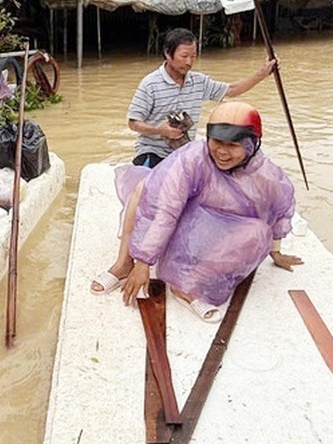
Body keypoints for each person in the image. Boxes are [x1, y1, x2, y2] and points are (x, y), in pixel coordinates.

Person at [91, 102, 301, 322]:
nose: (222, 152)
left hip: (219, 234)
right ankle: (124, 262)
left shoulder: (268, 177)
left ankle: (188, 287)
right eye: (217, 142)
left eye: (233, 145)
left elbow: (280, 213)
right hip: (183, 223)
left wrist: (276, 254)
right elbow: (163, 208)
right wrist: (143, 261)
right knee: (146, 187)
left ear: (252, 145)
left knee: (259, 232)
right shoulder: (191, 157)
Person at [127, 27, 277, 167]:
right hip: (153, 152)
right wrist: (159, 130)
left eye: (193, 56)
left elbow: (232, 90)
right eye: (184, 56)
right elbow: (133, 123)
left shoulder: (198, 81)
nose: (189, 62)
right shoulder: (150, 84)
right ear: (168, 53)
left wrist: (263, 73)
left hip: (184, 153)